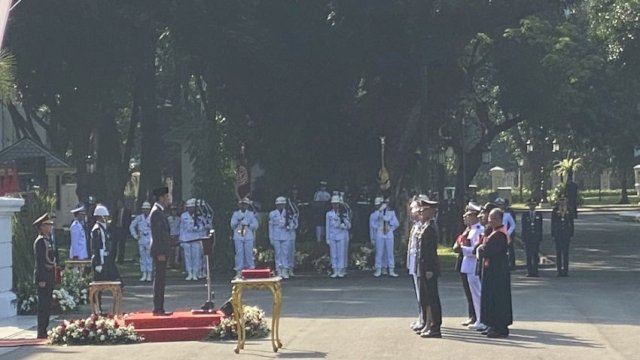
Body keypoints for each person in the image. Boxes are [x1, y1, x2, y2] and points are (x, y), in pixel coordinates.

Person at [477, 208, 513, 338]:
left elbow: (488, 250)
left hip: (498, 273)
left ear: (498, 219)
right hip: (491, 271)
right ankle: (491, 324)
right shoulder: (493, 232)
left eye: (492, 218)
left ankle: (499, 327)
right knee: (490, 298)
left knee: (498, 300)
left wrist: (481, 249)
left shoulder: (500, 235)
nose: (489, 221)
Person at [455, 203, 485, 331]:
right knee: (472, 293)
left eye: (467, 215)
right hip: (467, 264)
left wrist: (463, 249)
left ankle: (480, 318)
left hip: (473, 264)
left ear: (475, 216)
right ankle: (476, 317)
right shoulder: (470, 229)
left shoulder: (478, 230)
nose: (465, 218)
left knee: (477, 293)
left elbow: (475, 250)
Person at [415, 198, 442, 338]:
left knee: (432, 298)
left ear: (431, 211)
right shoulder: (425, 226)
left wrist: (430, 269)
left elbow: (431, 251)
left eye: (424, 210)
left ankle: (435, 327)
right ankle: (428, 323)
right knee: (426, 298)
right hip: (423, 266)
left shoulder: (431, 228)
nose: (421, 212)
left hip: (429, 267)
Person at [90, 204, 122, 313]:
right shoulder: (97, 230)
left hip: (106, 258)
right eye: (105, 217)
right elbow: (97, 247)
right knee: (98, 287)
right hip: (100, 260)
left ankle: (104, 308)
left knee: (116, 281)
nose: (106, 219)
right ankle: (97, 309)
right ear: (100, 217)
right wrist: (99, 263)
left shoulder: (103, 228)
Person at [150, 186, 172, 316]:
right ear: (161, 198)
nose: (168, 199)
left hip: (162, 250)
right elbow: (158, 234)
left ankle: (160, 306)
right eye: (166, 197)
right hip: (160, 251)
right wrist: (160, 253)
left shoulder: (160, 211)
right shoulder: (157, 212)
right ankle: (158, 307)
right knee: (159, 280)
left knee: (161, 279)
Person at [33, 213, 55, 339]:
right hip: (43, 277)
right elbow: (40, 262)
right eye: (47, 225)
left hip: (49, 275)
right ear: (41, 227)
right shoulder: (40, 241)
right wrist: (41, 279)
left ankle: (44, 329)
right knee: (43, 305)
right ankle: (41, 331)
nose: (50, 227)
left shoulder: (48, 240)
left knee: (47, 304)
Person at [370, 197, 400, 277]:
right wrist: (380, 212)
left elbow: (396, 223)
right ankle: (378, 269)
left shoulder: (391, 212)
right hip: (380, 232)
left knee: (390, 252)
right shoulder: (376, 213)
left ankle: (391, 269)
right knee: (379, 252)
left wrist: (390, 225)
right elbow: (372, 223)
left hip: (388, 232)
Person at [230, 197, 259, 278]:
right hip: (238, 236)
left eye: (245, 205)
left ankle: (250, 270)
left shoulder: (250, 214)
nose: (243, 206)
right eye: (242, 205)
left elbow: (256, 225)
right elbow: (232, 225)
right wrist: (238, 221)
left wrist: (248, 224)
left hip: (248, 236)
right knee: (239, 253)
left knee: (249, 253)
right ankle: (239, 271)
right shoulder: (235, 214)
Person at [326, 195, 351, 278]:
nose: (335, 205)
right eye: (333, 204)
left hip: (341, 235)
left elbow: (349, 225)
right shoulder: (329, 214)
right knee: (333, 254)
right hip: (333, 235)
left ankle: (340, 270)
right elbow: (327, 227)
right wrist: (327, 238)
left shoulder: (343, 213)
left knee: (341, 254)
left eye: (336, 203)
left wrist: (343, 225)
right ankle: (335, 270)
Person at [179, 199, 203, 281]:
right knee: (188, 257)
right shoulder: (183, 215)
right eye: (189, 207)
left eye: (192, 207)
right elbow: (181, 228)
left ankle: (195, 273)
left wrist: (196, 228)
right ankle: (189, 273)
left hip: (196, 238)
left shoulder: (199, 215)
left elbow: (202, 227)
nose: (190, 209)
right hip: (186, 238)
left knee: (196, 257)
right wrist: (181, 239)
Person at [129, 201, 153, 282]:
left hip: (149, 239)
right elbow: (131, 226)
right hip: (141, 239)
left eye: (147, 209)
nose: (146, 210)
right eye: (144, 209)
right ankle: (144, 273)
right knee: (142, 257)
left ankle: (149, 274)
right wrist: (135, 236)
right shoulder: (139, 218)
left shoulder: (152, 217)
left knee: (149, 257)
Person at [269, 196, 292, 278]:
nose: (280, 206)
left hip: (286, 235)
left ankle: (285, 270)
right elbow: (270, 226)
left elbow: (293, 224)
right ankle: (279, 270)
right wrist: (271, 237)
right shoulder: (272, 214)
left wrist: (289, 226)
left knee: (285, 253)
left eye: (282, 204)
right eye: (279, 204)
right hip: (276, 235)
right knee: (278, 253)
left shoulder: (288, 213)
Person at [551, 197, 574, 277]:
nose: (562, 201)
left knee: (565, 253)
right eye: (560, 200)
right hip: (558, 234)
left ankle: (566, 270)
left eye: (563, 200)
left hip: (566, 234)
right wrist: (553, 233)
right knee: (558, 253)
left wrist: (571, 233)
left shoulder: (569, 209)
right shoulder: (555, 210)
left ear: (566, 200)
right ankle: (559, 270)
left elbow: (571, 222)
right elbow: (553, 222)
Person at [521, 198, 543, 277]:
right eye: (530, 205)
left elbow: (540, 226)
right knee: (528, 255)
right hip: (528, 237)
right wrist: (523, 237)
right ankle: (529, 271)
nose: (532, 206)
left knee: (535, 254)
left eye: (533, 205)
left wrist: (540, 237)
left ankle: (535, 271)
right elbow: (523, 227)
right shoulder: (525, 215)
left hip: (536, 237)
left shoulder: (539, 214)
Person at [495, 197, 516, 270]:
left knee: (509, 250)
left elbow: (513, 225)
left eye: (501, 205)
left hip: (506, 234)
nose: (500, 206)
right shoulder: (494, 215)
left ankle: (511, 264)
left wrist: (508, 233)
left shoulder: (507, 214)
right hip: (497, 234)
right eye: (498, 205)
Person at [112, 199, 132, 264]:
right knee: (114, 245)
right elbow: (113, 220)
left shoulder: (127, 211)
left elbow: (129, 221)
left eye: (119, 203)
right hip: (116, 229)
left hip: (123, 229)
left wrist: (127, 230)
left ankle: (120, 260)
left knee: (122, 245)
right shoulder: (116, 211)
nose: (118, 204)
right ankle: (112, 258)